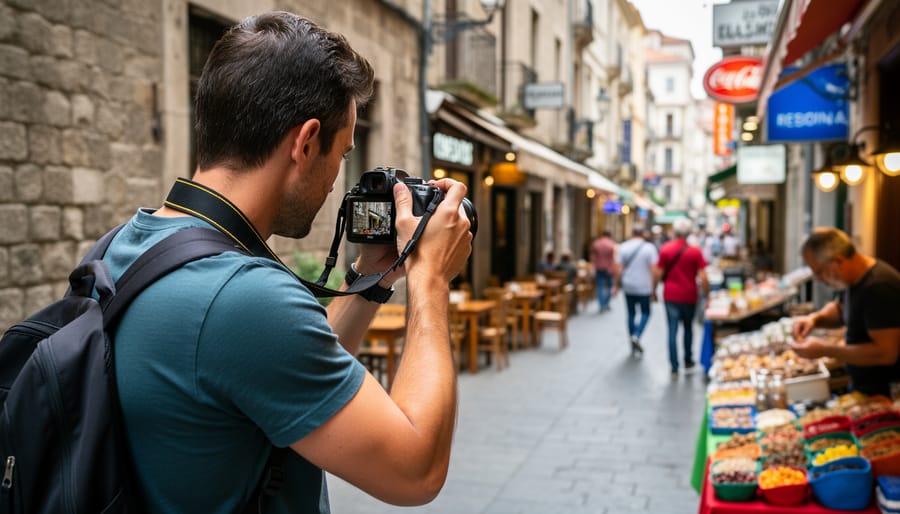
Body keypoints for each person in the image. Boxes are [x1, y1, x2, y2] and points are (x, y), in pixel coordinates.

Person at [102, 12, 472, 513]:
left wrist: (371, 276)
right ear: (305, 142)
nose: (334, 182)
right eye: (342, 156)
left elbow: (287, 372)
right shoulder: (241, 297)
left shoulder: (130, 243)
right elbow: (417, 471)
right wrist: (430, 279)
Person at [790, 227, 900, 397]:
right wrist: (815, 319)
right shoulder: (852, 279)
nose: (817, 279)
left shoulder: (879, 286)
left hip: (884, 394)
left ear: (838, 261)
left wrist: (826, 349)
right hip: (863, 386)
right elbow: (841, 308)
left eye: (819, 271)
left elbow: (885, 353)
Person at [656, 217, 710, 379]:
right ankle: (687, 359)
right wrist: (708, 295)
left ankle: (674, 366)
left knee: (672, 329)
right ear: (688, 234)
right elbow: (704, 277)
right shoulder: (695, 251)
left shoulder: (666, 249)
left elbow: (658, 273)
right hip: (689, 295)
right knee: (688, 328)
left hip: (670, 295)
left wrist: (652, 290)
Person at [612, 226, 659, 356]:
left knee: (631, 313)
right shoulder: (649, 248)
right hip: (644, 286)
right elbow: (654, 270)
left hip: (628, 285)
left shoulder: (623, 247)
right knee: (646, 312)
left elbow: (618, 269)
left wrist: (615, 285)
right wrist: (654, 289)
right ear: (643, 234)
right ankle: (637, 335)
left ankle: (632, 340)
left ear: (632, 233)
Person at [591, 230, 617, 312]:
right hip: (608, 268)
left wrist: (593, 266)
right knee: (609, 286)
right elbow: (613, 258)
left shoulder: (596, 243)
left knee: (600, 286)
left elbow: (593, 257)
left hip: (598, 267)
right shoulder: (611, 244)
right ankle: (606, 303)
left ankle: (601, 304)